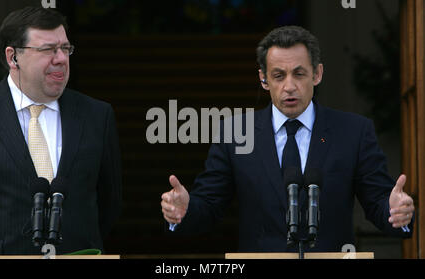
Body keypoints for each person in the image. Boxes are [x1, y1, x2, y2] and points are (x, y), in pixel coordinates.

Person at [161, 26, 415, 253]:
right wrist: (184, 211)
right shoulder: (236, 133)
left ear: (317, 74)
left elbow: (379, 204)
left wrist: (396, 212)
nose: (289, 86)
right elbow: (209, 207)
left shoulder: (354, 131)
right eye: (279, 75)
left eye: (299, 74)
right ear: (263, 79)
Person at [0, 7, 123, 255]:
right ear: (13, 57)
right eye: (48, 50)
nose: (61, 59)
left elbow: (110, 203)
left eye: (65, 49)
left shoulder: (97, 115)